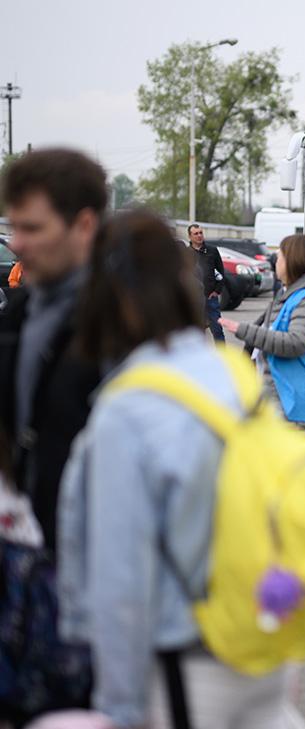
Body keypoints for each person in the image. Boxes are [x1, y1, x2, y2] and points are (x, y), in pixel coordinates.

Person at [54, 209, 305, 728]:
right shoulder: (225, 373)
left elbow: (121, 581)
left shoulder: (128, 410)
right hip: (260, 645)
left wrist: (118, 708)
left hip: (182, 663)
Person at [0, 149, 106, 723]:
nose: (17, 242)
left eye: (32, 227)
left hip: (93, 592)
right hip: (25, 576)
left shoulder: (122, 325)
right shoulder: (20, 310)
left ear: (83, 225)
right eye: (13, 226)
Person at [220, 234, 305, 443]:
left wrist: (245, 330)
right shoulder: (291, 297)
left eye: (280, 256)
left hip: (303, 412)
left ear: (294, 261)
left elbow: (296, 342)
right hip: (290, 407)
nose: (276, 261)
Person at [187, 223, 227, 343]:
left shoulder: (212, 251)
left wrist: (217, 291)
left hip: (210, 299)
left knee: (217, 330)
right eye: (196, 233)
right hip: (195, 301)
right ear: (190, 237)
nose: (199, 236)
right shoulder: (186, 253)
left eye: (201, 233)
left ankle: (222, 357)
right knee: (197, 333)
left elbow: (220, 273)